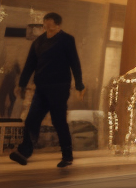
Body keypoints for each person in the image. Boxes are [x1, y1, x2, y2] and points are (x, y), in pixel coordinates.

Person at [9, 13, 84, 168]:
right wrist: (22, 84)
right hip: (41, 88)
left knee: (58, 121)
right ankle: (24, 152)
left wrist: (79, 85)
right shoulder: (39, 42)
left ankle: (67, 156)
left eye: (49, 25)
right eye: (45, 25)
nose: (46, 28)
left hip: (59, 88)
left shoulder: (66, 40)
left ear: (58, 25)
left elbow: (74, 63)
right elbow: (30, 64)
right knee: (31, 120)